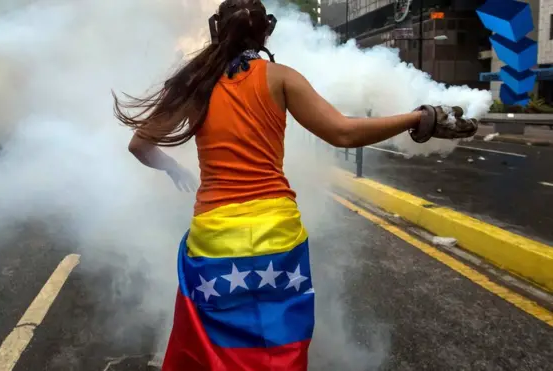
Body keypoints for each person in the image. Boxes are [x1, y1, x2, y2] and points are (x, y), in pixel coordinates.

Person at [112, 1, 478, 370]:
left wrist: (174, 168)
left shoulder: (194, 82)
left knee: (215, 351)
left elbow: (140, 145)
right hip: (278, 238)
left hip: (215, 239)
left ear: (216, 29)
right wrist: (418, 117)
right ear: (266, 31)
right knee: (276, 344)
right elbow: (343, 132)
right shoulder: (281, 77)